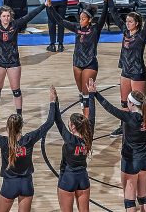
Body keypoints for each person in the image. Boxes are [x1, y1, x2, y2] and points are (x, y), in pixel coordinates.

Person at [0, 87, 56, 212]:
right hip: (26, 184)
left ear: (7, 128)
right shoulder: (29, 139)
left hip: (9, 185)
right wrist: (53, 101)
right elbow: (49, 122)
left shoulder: (4, 142)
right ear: (21, 126)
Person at [89, 62, 146, 212]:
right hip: (145, 158)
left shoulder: (129, 117)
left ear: (131, 103)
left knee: (129, 199)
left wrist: (95, 93)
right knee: (143, 196)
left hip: (131, 159)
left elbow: (108, 107)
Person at [45, 0, 108, 117]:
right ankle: (83, 104)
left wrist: (107, 1)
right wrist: (50, 7)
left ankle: (87, 122)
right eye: (80, 18)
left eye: (83, 19)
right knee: (81, 92)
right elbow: (60, 21)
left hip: (90, 63)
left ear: (89, 20)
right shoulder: (76, 27)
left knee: (87, 94)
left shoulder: (95, 29)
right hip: (77, 63)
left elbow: (103, 16)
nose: (80, 21)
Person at [106, 0, 146, 138]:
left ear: (137, 23)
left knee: (140, 104)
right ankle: (123, 126)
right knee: (124, 102)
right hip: (126, 71)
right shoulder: (125, 32)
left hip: (137, 72)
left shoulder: (142, 35)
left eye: (130, 21)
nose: (127, 23)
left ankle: (145, 128)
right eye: (127, 21)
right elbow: (115, 15)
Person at [55, 83, 95, 212]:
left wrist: (54, 102)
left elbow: (58, 120)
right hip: (83, 178)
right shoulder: (88, 136)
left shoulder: (70, 139)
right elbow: (92, 116)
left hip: (68, 178)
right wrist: (92, 95)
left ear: (72, 126)